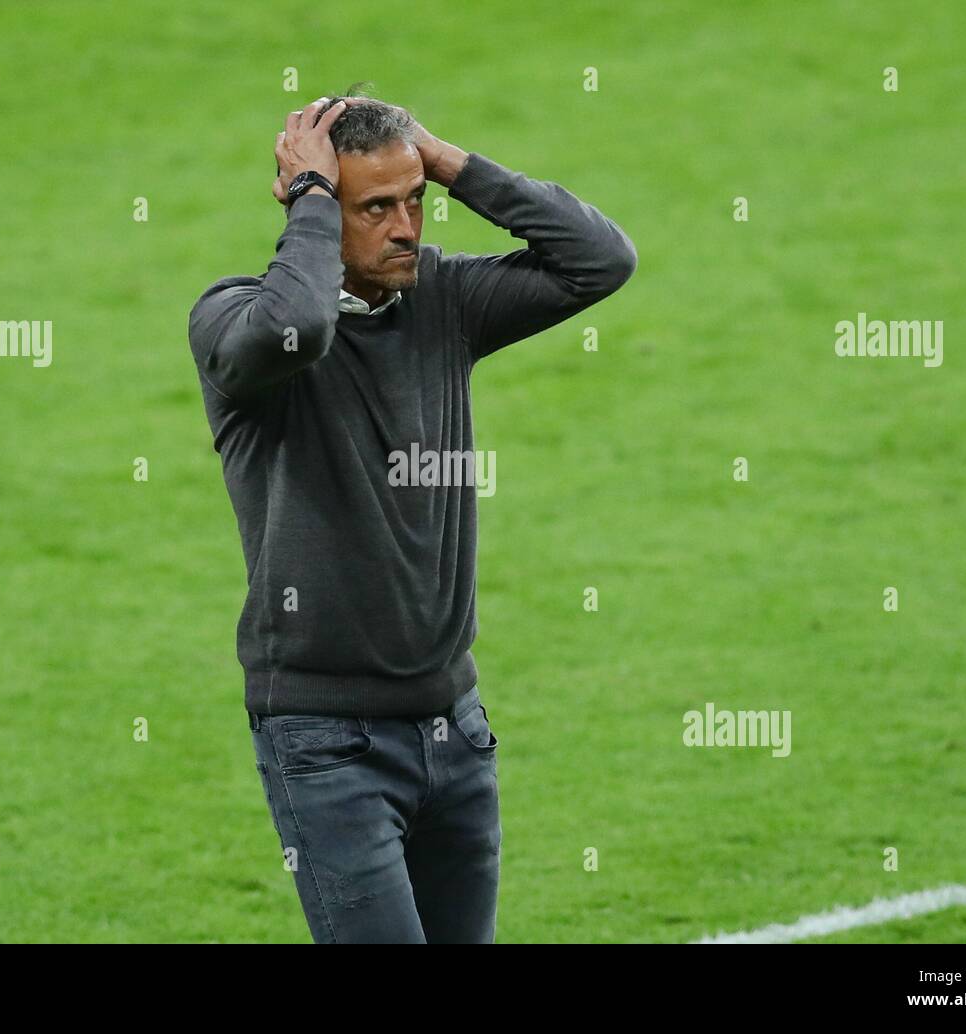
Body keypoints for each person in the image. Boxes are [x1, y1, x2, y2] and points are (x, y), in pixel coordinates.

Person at [187, 88, 636, 943]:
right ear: (309, 207)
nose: (406, 227)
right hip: (327, 747)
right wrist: (313, 205)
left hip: (455, 731)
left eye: (414, 201)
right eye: (376, 207)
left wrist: (447, 160)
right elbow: (304, 326)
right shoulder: (233, 323)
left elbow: (600, 261)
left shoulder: (445, 301)